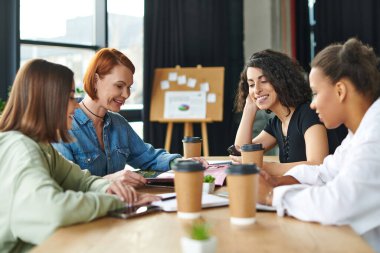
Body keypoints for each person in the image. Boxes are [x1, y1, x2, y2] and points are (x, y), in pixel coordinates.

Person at [0, 59, 159, 252]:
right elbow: (53, 210)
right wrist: (116, 202)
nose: (75, 107)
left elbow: (81, 181)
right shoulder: (20, 148)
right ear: (48, 100)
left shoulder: (41, 146)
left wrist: (112, 189)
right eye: (70, 98)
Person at [258, 38, 380, 252]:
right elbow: (325, 172)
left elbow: (338, 203)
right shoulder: (358, 133)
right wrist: (277, 182)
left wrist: (271, 196)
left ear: (340, 90)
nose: (313, 103)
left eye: (315, 92)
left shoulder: (375, 134)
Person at [52, 48, 183, 187]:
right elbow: (65, 186)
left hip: (120, 205)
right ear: (96, 80)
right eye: (119, 86)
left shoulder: (119, 124)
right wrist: (109, 181)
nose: (126, 94)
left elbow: (149, 157)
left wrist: (181, 163)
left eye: (129, 87)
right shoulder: (64, 125)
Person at [233, 49, 343, 176]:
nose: (257, 90)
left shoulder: (308, 113)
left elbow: (317, 164)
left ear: (281, 80)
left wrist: (265, 166)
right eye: (251, 84)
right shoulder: (276, 123)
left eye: (264, 81)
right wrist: (249, 109)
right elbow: (241, 152)